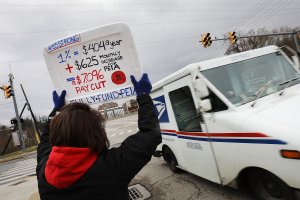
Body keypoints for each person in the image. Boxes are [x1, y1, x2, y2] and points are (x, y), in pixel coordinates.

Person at [36, 73, 162, 200]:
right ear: (95, 133)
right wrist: (144, 96)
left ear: (56, 134)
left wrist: (55, 112)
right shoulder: (112, 167)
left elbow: (44, 140)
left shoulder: (44, 168)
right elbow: (151, 133)